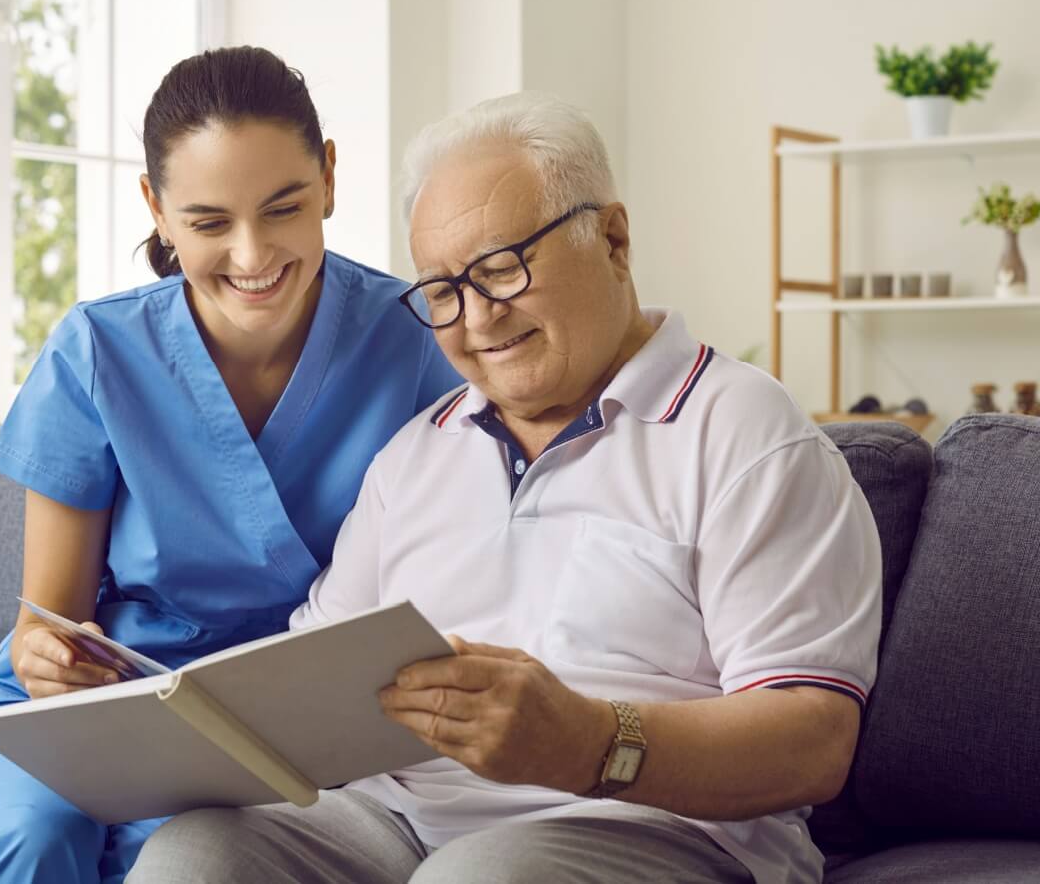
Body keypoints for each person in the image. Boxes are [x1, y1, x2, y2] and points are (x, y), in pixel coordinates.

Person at [128, 92, 882, 884]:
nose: (477, 320)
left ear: (613, 239)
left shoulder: (744, 431)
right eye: (444, 292)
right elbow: (316, 676)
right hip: (398, 823)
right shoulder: (415, 455)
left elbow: (814, 741)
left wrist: (592, 742)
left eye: (500, 270)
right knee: (194, 854)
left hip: (648, 828)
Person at [0, 46, 462, 884]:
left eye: (282, 208)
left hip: (289, 726)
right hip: (96, 710)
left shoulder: (418, 340)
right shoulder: (98, 350)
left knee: (190, 855)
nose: (252, 257)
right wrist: (44, 654)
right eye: (210, 223)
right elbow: (49, 624)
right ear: (157, 208)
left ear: (328, 176)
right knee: (29, 837)